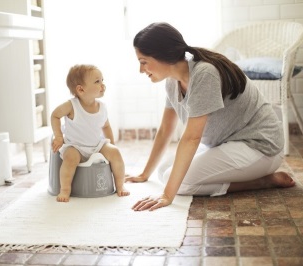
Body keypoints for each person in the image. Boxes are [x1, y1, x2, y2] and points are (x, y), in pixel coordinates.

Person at [126, 22, 295, 211]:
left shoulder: (205, 73)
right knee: (163, 171)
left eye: (143, 62)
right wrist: (144, 173)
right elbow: (166, 129)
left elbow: (191, 138)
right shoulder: (172, 83)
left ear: (163, 55)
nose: (141, 70)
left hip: (260, 147)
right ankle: (258, 179)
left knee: (181, 183)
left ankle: (262, 182)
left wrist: (167, 195)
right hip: (227, 144)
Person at [51, 64, 130, 202]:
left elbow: (106, 126)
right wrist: (58, 136)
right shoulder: (71, 105)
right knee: (70, 158)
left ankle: (120, 185)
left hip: (97, 145)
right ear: (81, 89)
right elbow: (55, 115)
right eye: (97, 81)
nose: (103, 85)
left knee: (115, 153)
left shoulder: (102, 107)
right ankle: (65, 190)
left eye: (102, 80)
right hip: (75, 146)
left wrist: (111, 144)